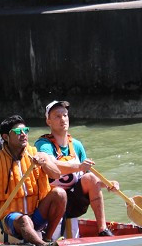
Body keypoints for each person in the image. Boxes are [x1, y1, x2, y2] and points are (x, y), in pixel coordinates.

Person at [0, 115, 65, 246]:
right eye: (17, 132)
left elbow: (56, 174)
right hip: (10, 219)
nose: (23, 135)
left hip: (36, 213)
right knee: (24, 220)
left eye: (25, 130)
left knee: (60, 193)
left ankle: (48, 239)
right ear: (6, 137)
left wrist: (44, 163)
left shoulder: (37, 155)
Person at [35, 100, 114, 236]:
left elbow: (88, 180)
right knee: (60, 192)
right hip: (51, 202)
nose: (63, 119)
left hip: (73, 203)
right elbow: (53, 165)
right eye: (57, 116)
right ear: (48, 121)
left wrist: (107, 184)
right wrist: (78, 166)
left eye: (65, 115)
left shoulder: (77, 145)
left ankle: (102, 230)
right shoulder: (43, 144)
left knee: (90, 178)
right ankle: (47, 236)